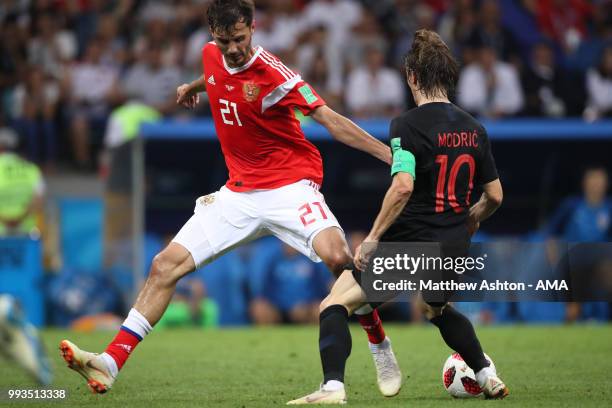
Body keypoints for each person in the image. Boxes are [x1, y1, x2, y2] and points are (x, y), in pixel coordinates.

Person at [59, 0, 402, 398]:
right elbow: (216, 73)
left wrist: (388, 155)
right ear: (212, 36)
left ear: (253, 29)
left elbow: (331, 121)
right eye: (224, 41)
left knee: (340, 258)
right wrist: (193, 86)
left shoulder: (277, 75)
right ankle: (111, 362)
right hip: (238, 194)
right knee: (163, 266)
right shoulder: (211, 56)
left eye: (239, 39)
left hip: (290, 186)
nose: (233, 49)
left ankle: (379, 344)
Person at [288, 29, 508, 404]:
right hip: (454, 244)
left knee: (333, 304)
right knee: (436, 308)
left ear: (412, 76)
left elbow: (403, 185)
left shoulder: (405, 127)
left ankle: (332, 388)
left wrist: (373, 236)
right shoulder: (475, 129)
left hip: (410, 245)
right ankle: (487, 375)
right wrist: (469, 221)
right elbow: (495, 196)